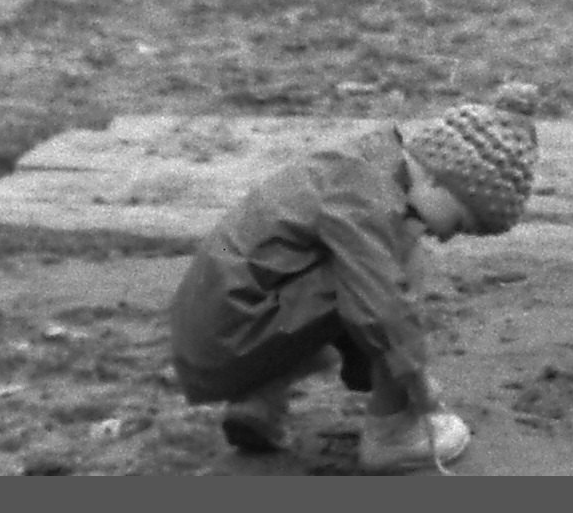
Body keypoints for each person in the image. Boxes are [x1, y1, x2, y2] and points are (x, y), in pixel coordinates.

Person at [169, 82, 541, 473]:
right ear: (438, 178)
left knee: (364, 273)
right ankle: (393, 432)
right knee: (395, 268)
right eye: (460, 222)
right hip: (229, 334)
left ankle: (260, 394)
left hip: (224, 321)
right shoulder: (368, 200)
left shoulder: (368, 166)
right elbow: (379, 307)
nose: (448, 237)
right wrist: (415, 380)